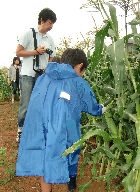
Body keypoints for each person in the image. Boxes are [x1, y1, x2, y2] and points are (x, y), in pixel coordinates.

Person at [15, 48, 106, 192]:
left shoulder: (43, 78)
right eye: (82, 71)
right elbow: (90, 105)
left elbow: (36, 102)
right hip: (65, 129)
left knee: (45, 159)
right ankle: (71, 186)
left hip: (41, 127)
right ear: (79, 66)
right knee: (70, 153)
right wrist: (101, 109)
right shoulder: (77, 81)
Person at [15, 8, 57, 142]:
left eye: (53, 24)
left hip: (42, 76)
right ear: (42, 20)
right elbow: (19, 52)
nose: (51, 26)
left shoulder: (50, 39)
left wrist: (48, 68)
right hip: (28, 74)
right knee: (26, 104)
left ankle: (37, 131)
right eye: (49, 23)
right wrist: (36, 52)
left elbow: (52, 57)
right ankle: (21, 130)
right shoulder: (29, 33)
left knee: (41, 104)